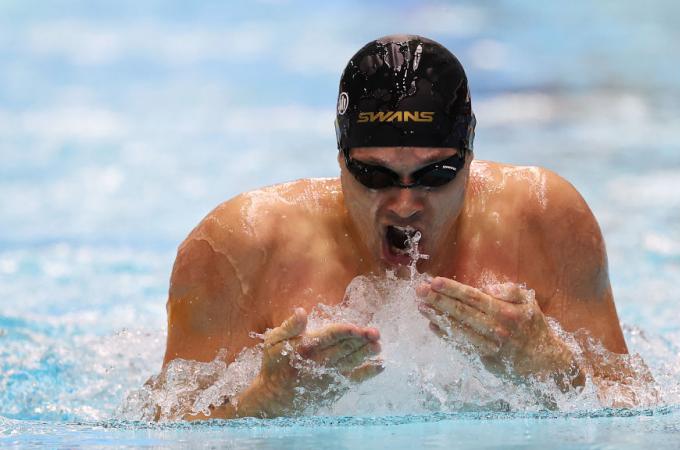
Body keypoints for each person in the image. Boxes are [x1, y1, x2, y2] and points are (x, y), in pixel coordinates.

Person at [161, 34, 638, 420]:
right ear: (341, 161)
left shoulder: (544, 218)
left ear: (469, 159)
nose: (406, 204)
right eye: (375, 175)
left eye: (436, 175)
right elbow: (161, 425)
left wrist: (552, 368)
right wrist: (266, 403)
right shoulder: (241, 244)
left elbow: (636, 403)